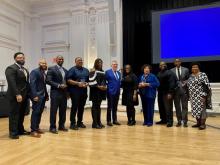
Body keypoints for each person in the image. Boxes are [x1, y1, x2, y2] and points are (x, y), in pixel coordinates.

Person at [5, 52, 30, 139]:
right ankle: (13, 133)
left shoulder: (25, 69)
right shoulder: (11, 68)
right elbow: (12, 83)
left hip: (24, 96)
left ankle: (20, 130)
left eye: (22, 57)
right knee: (14, 115)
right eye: (19, 58)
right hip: (15, 96)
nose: (21, 59)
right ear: (15, 59)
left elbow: (26, 83)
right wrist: (17, 94)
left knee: (22, 114)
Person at [46, 55, 68, 134]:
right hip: (55, 93)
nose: (61, 60)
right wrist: (58, 85)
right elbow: (48, 80)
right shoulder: (51, 69)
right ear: (56, 60)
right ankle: (52, 127)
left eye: (62, 59)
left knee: (63, 111)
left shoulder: (65, 70)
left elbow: (66, 82)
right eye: (59, 59)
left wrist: (68, 93)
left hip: (64, 94)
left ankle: (61, 126)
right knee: (53, 111)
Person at [187, 62, 211, 130]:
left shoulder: (203, 75)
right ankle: (198, 123)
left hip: (200, 96)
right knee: (195, 110)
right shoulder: (191, 76)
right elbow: (188, 85)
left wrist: (204, 96)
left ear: (198, 67)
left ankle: (203, 124)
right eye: (193, 67)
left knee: (202, 110)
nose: (194, 68)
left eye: (196, 67)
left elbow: (206, 86)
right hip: (193, 96)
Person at [67, 57, 89, 130]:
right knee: (74, 107)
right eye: (79, 60)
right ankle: (72, 123)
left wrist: (87, 84)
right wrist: (77, 83)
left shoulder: (86, 70)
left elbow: (88, 80)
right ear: (75, 62)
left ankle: (79, 122)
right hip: (75, 92)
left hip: (84, 92)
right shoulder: (72, 70)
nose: (80, 61)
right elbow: (68, 80)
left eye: (81, 60)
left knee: (81, 108)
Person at [30, 59, 49, 138]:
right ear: (39, 64)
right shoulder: (35, 71)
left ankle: (37, 128)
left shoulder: (43, 73)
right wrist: (35, 95)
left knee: (40, 112)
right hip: (37, 96)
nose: (44, 64)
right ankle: (33, 130)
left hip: (43, 96)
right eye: (42, 63)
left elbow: (43, 85)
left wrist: (46, 95)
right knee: (35, 113)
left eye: (45, 63)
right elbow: (32, 84)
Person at [157, 62, 178, 127]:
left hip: (167, 93)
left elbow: (172, 83)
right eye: (160, 65)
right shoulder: (159, 73)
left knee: (168, 108)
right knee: (161, 107)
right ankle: (163, 120)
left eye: (163, 65)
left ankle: (170, 121)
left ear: (166, 65)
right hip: (160, 92)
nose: (162, 66)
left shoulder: (170, 73)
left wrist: (170, 92)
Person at [171, 59, 189, 127]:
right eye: (176, 61)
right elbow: (171, 80)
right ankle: (179, 121)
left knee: (185, 106)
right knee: (177, 107)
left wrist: (186, 82)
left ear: (180, 62)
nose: (177, 62)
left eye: (178, 61)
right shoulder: (171, 70)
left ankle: (185, 122)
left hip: (184, 91)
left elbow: (189, 78)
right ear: (174, 63)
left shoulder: (186, 70)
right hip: (175, 91)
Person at [89, 58, 107, 129]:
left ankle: (99, 122)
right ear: (96, 63)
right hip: (95, 91)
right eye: (99, 63)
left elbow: (104, 80)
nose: (100, 64)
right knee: (94, 106)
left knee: (98, 107)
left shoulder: (102, 71)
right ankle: (94, 123)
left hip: (101, 91)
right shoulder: (93, 71)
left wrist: (104, 86)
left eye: (101, 63)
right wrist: (99, 87)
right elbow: (91, 81)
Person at [105, 60, 121, 126]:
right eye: (114, 64)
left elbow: (118, 82)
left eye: (116, 64)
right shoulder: (107, 72)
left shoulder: (119, 73)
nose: (115, 65)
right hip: (110, 92)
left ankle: (115, 120)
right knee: (110, 107)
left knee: (115, 107)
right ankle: (108, 121)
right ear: (111, 65)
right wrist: (107, 87)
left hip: (117, 92)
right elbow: (104, 81)